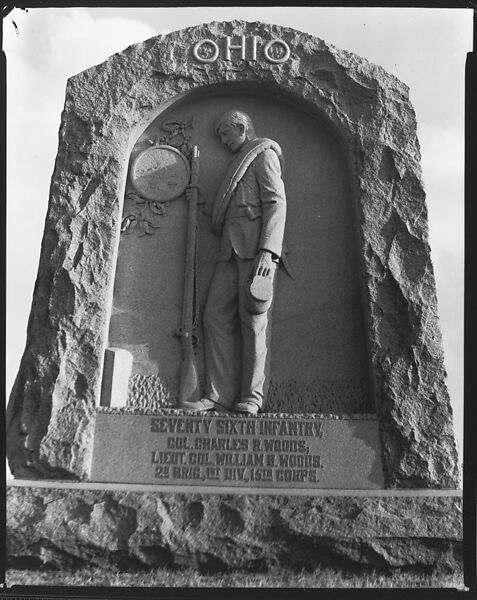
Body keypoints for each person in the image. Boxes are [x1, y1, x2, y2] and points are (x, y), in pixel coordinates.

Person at [183, 109, 287, 415]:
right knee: (215, 316)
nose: (223, 141)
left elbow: (275, 203)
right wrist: (198, 200)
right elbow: (232, 208)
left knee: (253, 322)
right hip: (228, 251)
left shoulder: (263, 155)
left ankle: (252, 397)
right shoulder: (238, 161)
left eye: (225, 134)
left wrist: (268, 252)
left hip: (255, 253)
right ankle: (218, 395)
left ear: (241, 127)